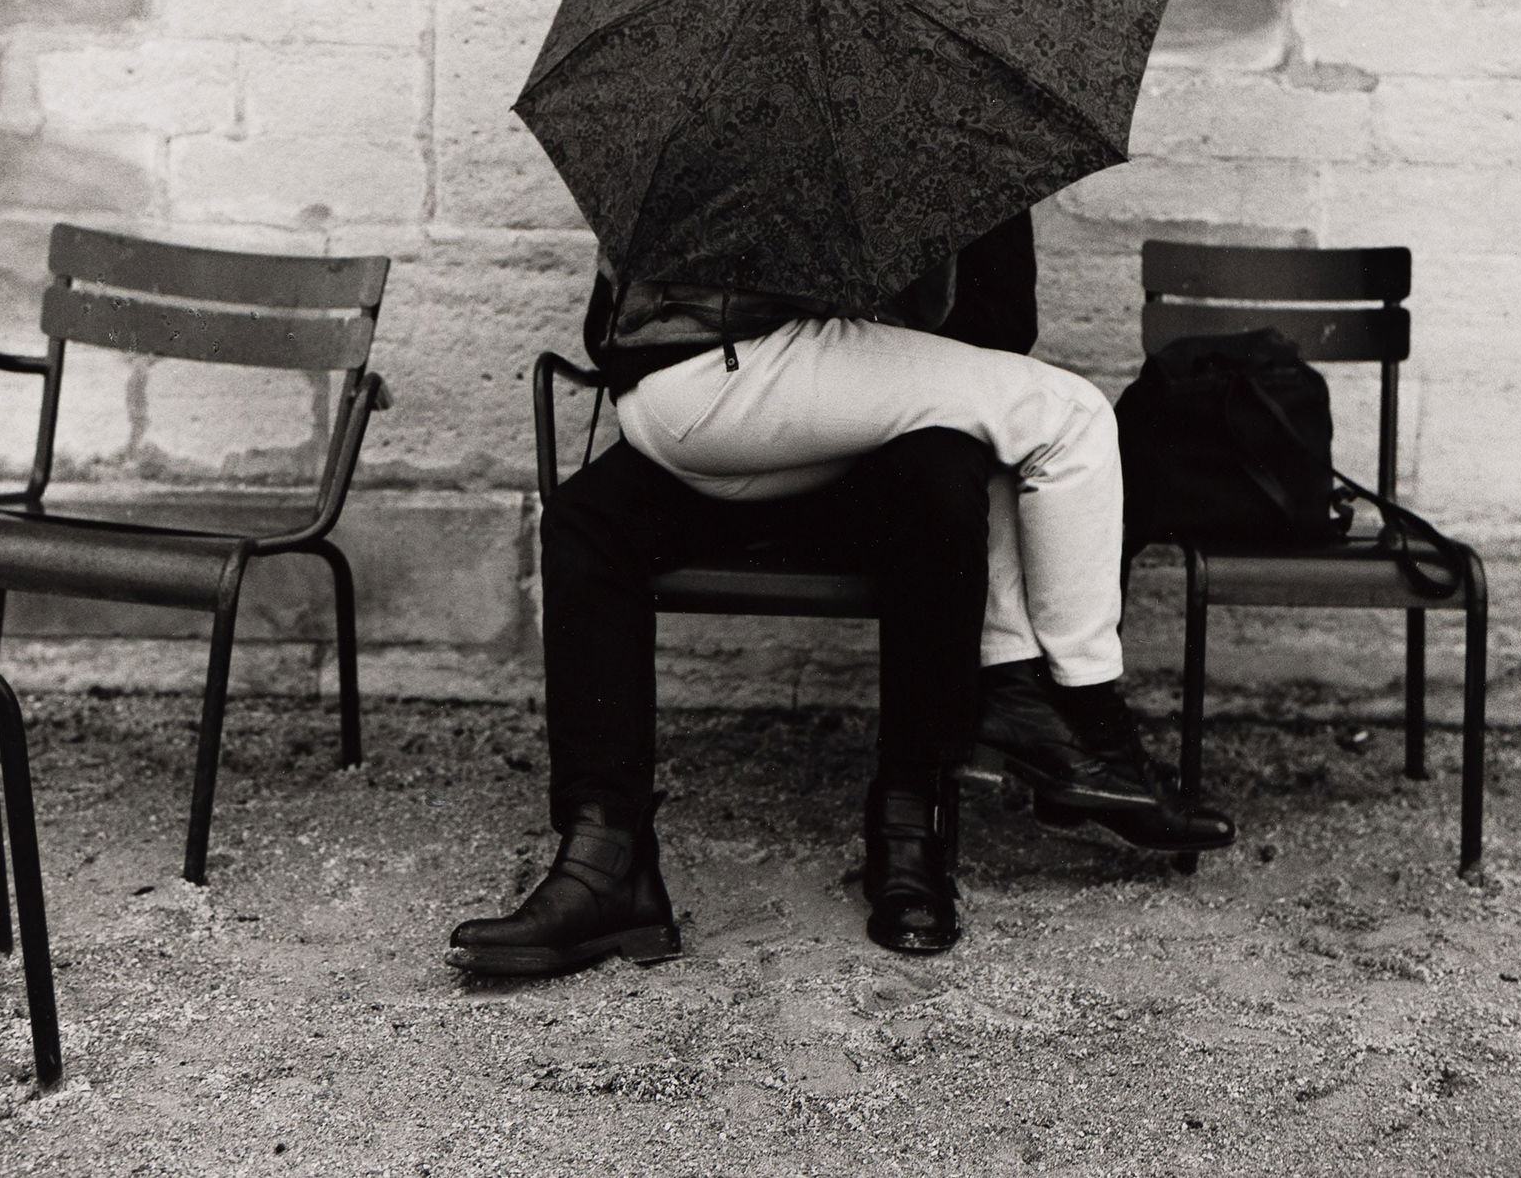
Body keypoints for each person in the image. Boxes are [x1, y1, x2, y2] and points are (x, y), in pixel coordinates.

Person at [447, 216, 1233, 977]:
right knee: (592, 522)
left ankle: (908, 828)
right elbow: (612, 327)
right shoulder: (737, 130)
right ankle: (603, 854)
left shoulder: (946, 145)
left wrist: (893, 313)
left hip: (848, 450)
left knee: (945, 477)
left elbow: (1000, 333)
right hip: (736, 406)